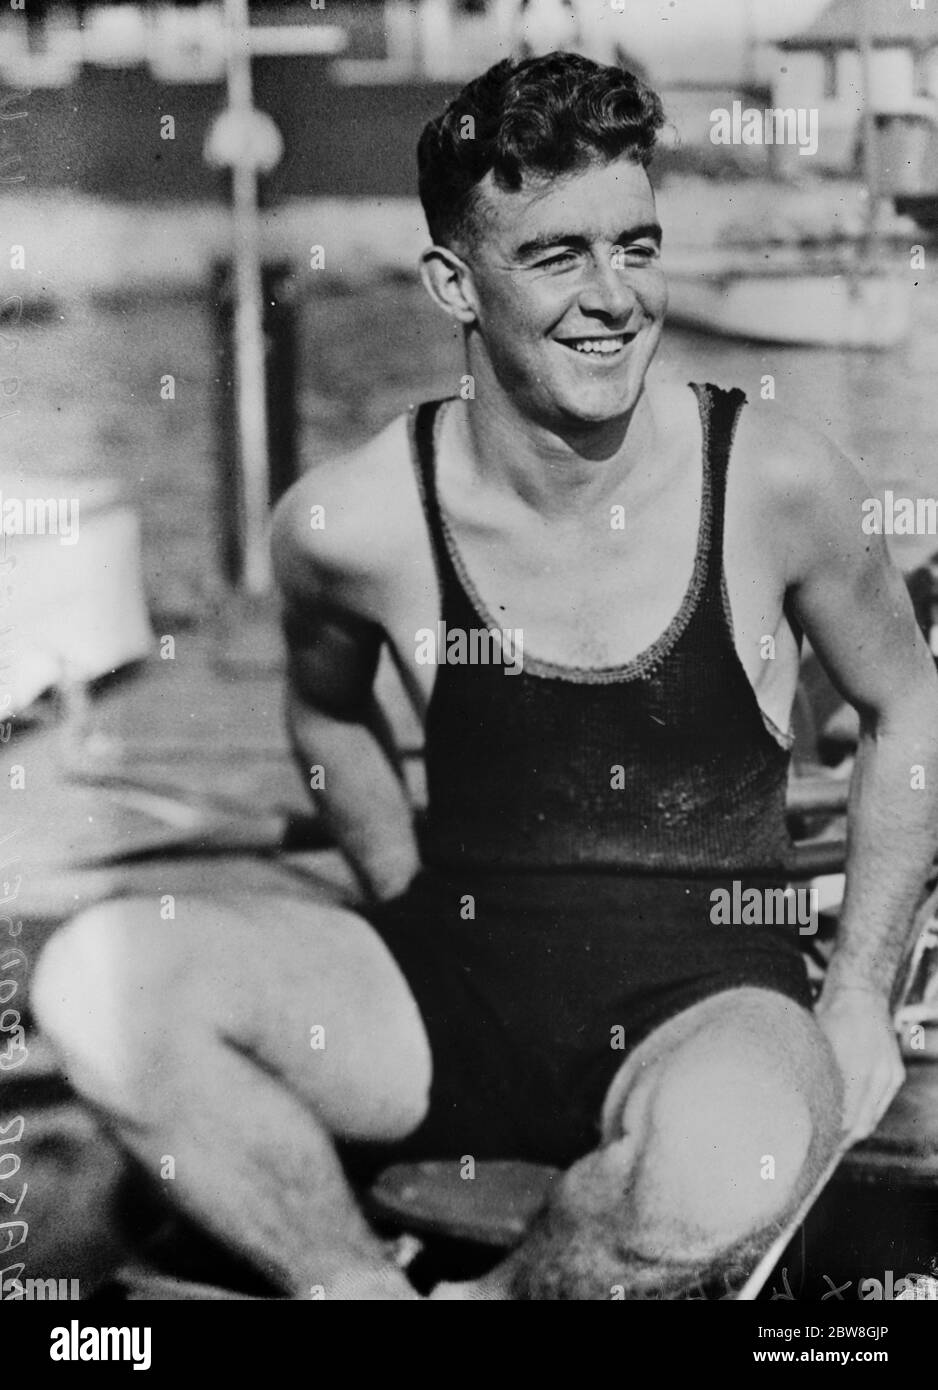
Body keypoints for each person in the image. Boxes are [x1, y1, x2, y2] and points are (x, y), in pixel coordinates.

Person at [32, 52, 938, 1300]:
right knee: (92, 983)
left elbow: (907, 706)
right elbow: (324, 709)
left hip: (707, 993)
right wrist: (397, 883)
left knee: (747, 1152)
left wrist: (857, 997)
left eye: (636, 244)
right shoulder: (350, 524)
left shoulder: (777, 482)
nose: (613, 295)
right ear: (453, 284)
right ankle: (352, 1284)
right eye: (557, 255)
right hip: (446, 992)